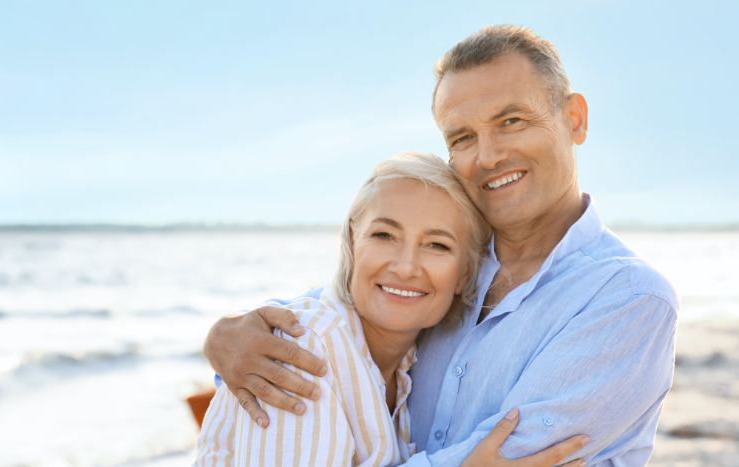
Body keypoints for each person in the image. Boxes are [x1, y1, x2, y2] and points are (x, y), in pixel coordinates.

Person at [205, 25, 677, 466]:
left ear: (574, 119)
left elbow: (509, 454)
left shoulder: (628, 298)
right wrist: (233, 337)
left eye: (511, 120)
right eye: (463, 137)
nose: (488, 156)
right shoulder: (444, 274)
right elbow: (340, 325)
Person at [194, 152, 586, 466]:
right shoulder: (307, 348)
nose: (405, 266)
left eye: (437, 245)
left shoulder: (412, 364)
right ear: (353, 238)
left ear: (466, 271)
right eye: (384, 235)